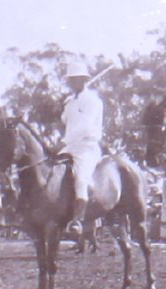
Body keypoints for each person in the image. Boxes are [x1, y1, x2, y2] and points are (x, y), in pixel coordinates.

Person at [60, 62, 104, 237]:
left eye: (75, 79)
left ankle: (78, 220)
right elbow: (65, 121)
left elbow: (84, 127)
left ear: (84, 80)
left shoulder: (93, 101)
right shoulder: (70, 102)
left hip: (87, 147)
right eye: (70, 80)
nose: (72, 83)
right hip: (69, 146)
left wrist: (63, 141)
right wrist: (66, 105)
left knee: (80, 178)